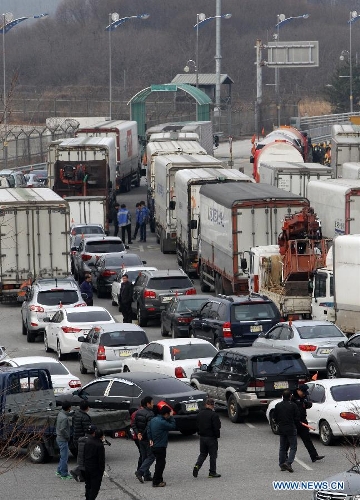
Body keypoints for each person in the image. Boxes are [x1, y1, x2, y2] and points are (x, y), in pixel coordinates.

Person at [292, 384, 325, 463]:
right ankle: (285, 457)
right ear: (298, 390)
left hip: (303, 421)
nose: (304, 394)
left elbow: (308, 405)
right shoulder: (292, 398)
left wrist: (307, 404)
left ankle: (314, 456)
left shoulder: (304, 397)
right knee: (291, 441)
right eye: (303, 392)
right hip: (294, 422)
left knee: (307, 439)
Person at [147, 405, 176, 487]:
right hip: (160, 446)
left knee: (159, 463)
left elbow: (148, 430)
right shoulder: (163, 422)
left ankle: (159, 479)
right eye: (168, 414)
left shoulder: (153, 420)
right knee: (161, 464)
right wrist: (172, 417)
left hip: (153, 444)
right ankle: (156, 481)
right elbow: (173, 426)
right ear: (166, 414)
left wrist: (150, 439)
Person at [193, 397, 221, 479]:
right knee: (213, 455)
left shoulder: (200, 414)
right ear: (213, 405)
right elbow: (217, 427)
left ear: (206, 404)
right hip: (211, 438)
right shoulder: (214, 415)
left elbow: (197, 425)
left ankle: (197, 465)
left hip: (202, 437)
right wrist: (217, 436)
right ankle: (212, 472)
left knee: (203, 454)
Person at [273, 389, 300, 473]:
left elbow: (274, 417)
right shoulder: (293, 405)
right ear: (290, 396)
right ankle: (288, 462)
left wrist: (279, 423)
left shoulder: (278, 405)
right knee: (293, 447)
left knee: (282, 447)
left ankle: (282, 464)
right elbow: (297, 418)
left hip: (281, 428)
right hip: (291, 428)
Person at [133, 396, 156, 483]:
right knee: (151, 456)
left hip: (140, 438)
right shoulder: (150, 414)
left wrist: (138, 433)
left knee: (144, 456)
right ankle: (140, 471)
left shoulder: (138, 412)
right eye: (152, 403)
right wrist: (145, 435)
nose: (153, 404)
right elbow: (149, 427)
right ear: (148, 404)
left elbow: (134, 424)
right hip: (146, 438)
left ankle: (147, 475)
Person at [70, 401, 92, 481]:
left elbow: (73, 425)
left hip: (76, 438)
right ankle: (76, 471)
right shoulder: (85, 417)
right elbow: (87, 430)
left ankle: (82, 476)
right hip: (83, 440)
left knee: (82, 458)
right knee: (86, 459)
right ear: (87, 407)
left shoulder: (76, 414)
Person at [83, 428, 106, 500]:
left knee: (88, 485)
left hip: (87, 466)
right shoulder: (99, 445)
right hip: (96, 469)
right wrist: (102, 470)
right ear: (101, 436)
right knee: (95, 487)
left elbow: (84, 454)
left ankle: (87, 498)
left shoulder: (88, 442)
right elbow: (101, 460)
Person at [55, 401, 73, 480]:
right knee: (65, 458)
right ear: (69, 408)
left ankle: (59, 471)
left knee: (62, 456)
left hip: (58, 438)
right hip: (63, 439)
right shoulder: (65, 418)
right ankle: (64, 474)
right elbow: (62, 429)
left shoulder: (60, 414)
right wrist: (67, 436)